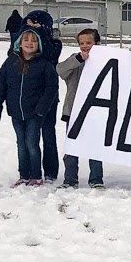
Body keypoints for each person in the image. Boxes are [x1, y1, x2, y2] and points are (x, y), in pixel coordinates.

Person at [0, 28, 59, 186]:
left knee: (32, 143)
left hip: (34, 113)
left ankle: (36, 176)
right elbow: (0, 86)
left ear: (39, 45)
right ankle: (24, 175)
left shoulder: (44, 64)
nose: (29, 43)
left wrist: (42, 108)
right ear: (19, 43)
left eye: (33, 41)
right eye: (26, 40)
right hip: (15, 111)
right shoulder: (10, 63)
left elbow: (51, 88)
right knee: (21, 143)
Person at [16, 10, 62, 181]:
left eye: (37, 25)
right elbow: (14, 52)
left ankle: (51, 171)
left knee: (48, 135)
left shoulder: (54, 44)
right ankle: (28, 171)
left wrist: (41, 31)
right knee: (28, 139)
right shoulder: (21, 43)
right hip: (28, 99)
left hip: (48, 97)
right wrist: (24, 29)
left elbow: (48, 55)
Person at [57, 28, 105, 189]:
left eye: (89, 43)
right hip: (73, 112)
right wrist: (78, 59)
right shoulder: (74, 60)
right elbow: (60, 70)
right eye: (82, 43)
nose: (85, 46)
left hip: (95, 112)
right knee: (71, 149)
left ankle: (96, 178)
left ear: (97, 43)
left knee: (95, 147)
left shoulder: (105, 60)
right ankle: (70, 179)